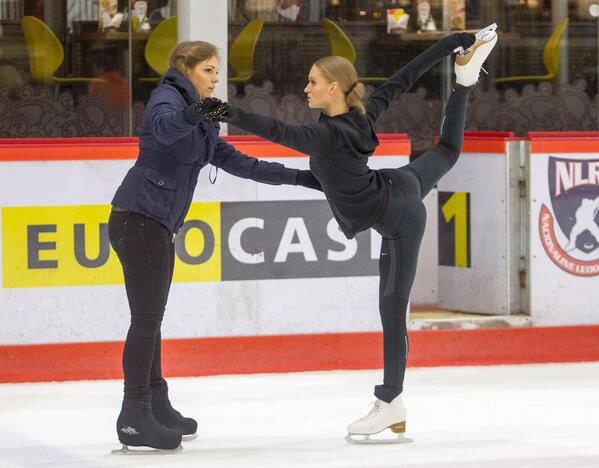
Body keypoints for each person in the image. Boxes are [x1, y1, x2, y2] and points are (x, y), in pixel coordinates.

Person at [199, 24, 499, 443]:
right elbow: (405, 76)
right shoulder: (361, 114)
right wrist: (451, 44)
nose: (306, 88)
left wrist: (219, 110)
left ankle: (391, 401)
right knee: (447, 150)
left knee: (392, 310)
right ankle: (466, 79)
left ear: (334, 87)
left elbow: (276, 131)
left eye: (313, 82)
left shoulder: (323, 135)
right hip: (401, 183)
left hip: (399, 217)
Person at [108, 40, 319, 453]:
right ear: (185, 68)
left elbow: (240, 161)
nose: (216, 77)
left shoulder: (203, 115)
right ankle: (133, 416)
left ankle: (156, 403)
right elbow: (166, 128)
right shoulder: (168, 100)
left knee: (153, 320)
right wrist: (198, 110)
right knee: (146, 321)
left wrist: (301, 178)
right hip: (138, 219)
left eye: (217, 70)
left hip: (156, 224)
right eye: (208, 69)